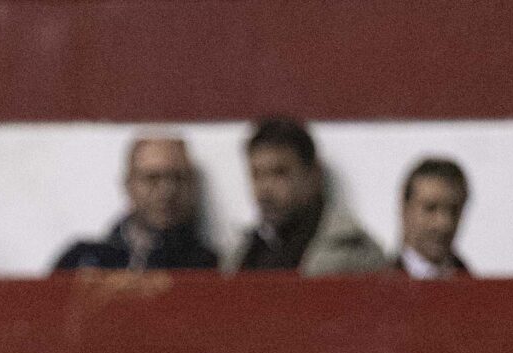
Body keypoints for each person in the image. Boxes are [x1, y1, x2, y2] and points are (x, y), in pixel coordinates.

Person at [229, 117, 384, 275]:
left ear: (313, 174)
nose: (265, 189)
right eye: (256, 175)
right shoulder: (239, 253)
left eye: (279, 173)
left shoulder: (355, 252)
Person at [53, 133, 216, 272]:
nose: (167, 191)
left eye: (178, 178)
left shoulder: (210, 267)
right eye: (152, 178)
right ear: (129, 185)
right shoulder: (83, 262)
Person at [394, 157, 472, 277]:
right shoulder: (374, 289)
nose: (443, 223)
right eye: (430, 208)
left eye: (453, 210)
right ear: (405, 210)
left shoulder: (475, 290)